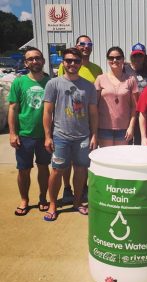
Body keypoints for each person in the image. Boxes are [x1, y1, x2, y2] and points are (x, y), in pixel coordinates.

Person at [43, 48, 98, 221]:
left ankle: (77, 202)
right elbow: (47, 112)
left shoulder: (89, 86)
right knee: (57, 171)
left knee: (81, 170)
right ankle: (52, 204)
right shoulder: (54, 83)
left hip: (83, 136)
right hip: (61, 136)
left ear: (81, 62)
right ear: (63, 63)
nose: (72, 64)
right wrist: (47, 136)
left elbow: (94, 113)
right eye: (68, 60)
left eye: (76, 60)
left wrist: (94, 135)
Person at [8, 47, 51, 216]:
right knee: (24, 169)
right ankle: (24, 199)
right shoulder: (19, 82)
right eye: (31, 59)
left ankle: (42, 197)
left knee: (43, 168)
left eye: (37, 58)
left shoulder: (50, 82)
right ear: (26, 63)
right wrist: (12, 133)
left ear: (43, 61)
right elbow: (13, 108)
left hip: (44, 136)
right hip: (24, 135)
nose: (35, 61)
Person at [58, 35, 102, 199]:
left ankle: (82, 187)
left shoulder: (97, 69)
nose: (85, 46)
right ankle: (67, 187)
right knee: (67, 160)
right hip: (68, 119)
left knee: (83, 159)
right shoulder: (66, 66)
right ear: (76, 45)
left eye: (89, 44)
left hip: (87, 120)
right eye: (82, 44)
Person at [94, 47, 138, 147]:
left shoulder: (131, 80)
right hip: (104, 128)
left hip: (124, 129)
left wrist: (131, 127)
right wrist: (94, 130)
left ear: (123, 59)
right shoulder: (100, 79)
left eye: (118, 57)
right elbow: (94, 106)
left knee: (121, 159)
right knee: (107, 159)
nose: (115, 60)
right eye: (111, 58)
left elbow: (134, 107)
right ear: (108, 60)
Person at [124, 42, 147, 145]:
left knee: (141, 139)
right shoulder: (124, 69)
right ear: (131, 56)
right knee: (127, 139)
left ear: (144, 57)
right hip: (128, 111)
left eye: (140, 55)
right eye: (135, 55)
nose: (137, 58)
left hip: (144, 112)